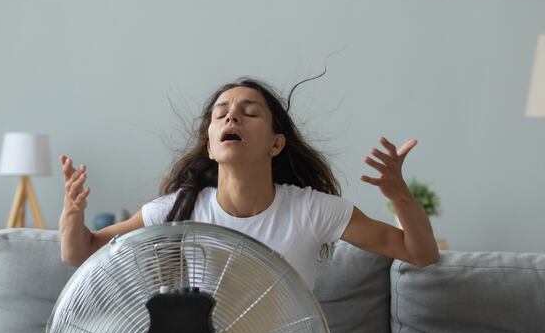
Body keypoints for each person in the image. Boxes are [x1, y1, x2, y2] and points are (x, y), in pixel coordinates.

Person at [59, 78, 439, 287]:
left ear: (276, 143)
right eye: (221, 114)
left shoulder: (312, 210)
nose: (232, 118)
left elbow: (420, 253)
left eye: (249, 112)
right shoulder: (178, 212)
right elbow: (80, 253)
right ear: (210, 145)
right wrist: (72, 215)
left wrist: (399, 194)